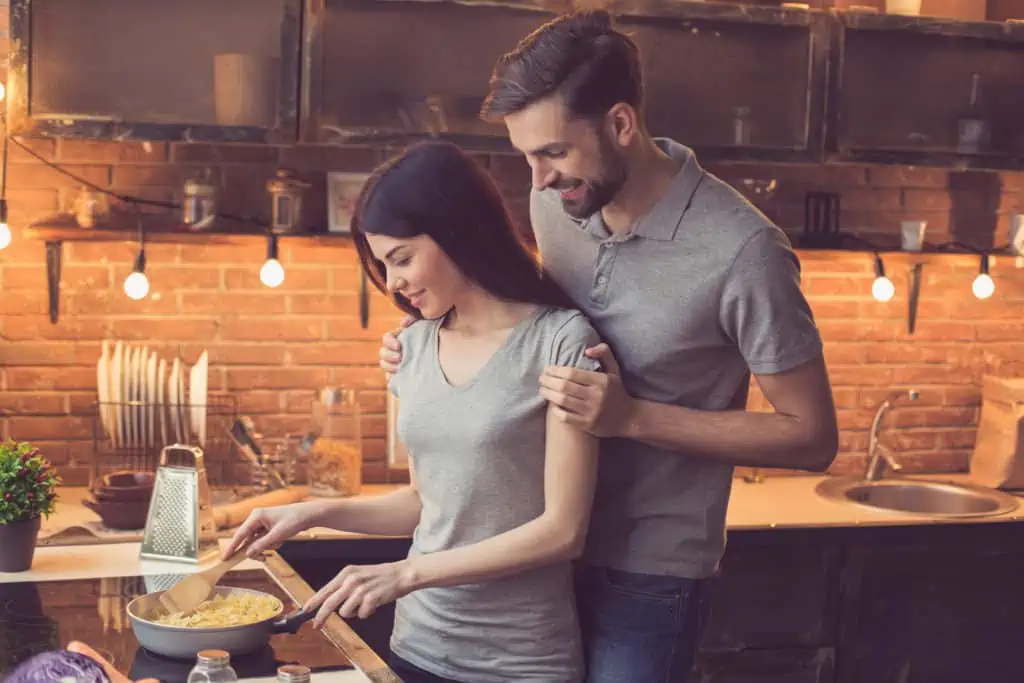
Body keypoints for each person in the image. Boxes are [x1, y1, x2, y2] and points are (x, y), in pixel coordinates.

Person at [378, 9, 840, 683]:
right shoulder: (556, 205)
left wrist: (633, 417)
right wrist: (425, 342)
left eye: (553, 153)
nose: (536, 179)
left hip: (649, 569)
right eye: (526, 157)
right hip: (536, 556)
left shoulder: (744, 251)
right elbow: (523, 330)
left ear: (621, 124)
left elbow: (812, 436)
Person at [226, 140, 605, 683]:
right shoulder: (414, 349)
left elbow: (561, 530)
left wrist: (405, 574)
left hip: (520, 662)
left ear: (456, 229)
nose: (392, 281)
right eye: (383, 265)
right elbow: (424, 503)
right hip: (417, 647)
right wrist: (310, 513)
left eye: (401, 258)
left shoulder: (560, 342)